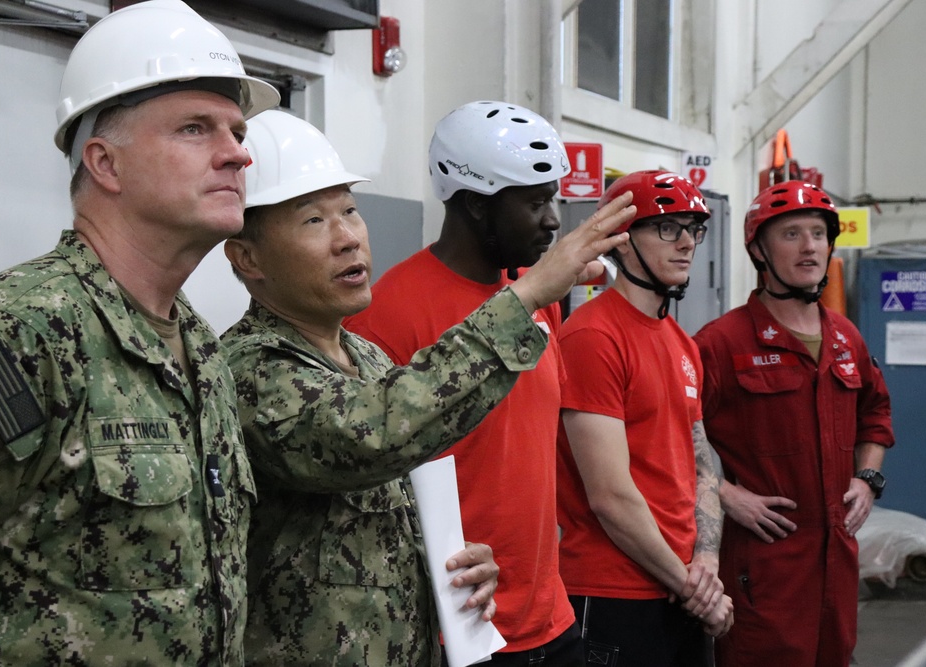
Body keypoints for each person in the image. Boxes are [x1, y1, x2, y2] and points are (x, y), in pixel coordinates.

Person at [220, 110, 635, 666]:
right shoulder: (251, 369)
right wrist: (529, 295)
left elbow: (389, 507)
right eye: (314, 222)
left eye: (349, 211)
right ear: (247, 257)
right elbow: (376, 437)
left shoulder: (360, 357)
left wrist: (456, 562)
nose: (347, 238)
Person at [0, 1, 280, 664]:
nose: (238, 153)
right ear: (105, 163)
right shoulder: (23, 332)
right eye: (195, 128)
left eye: (236, 131)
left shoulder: (203, 348)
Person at [346, 100, 586, 665]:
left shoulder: (537, 297)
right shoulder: (385, 316)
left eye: (551, 199)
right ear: (477, 206)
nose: (552, 219)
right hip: (461, 630)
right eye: (534, 203)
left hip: (552, 618)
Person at [693, 180, 894, 667]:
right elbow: (664, 439)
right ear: (759, 250)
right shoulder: (720, 343)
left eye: (819, 234)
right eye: (791, 234)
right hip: (763, 566)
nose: (809, 247)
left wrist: (867, 478)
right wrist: (725, 493)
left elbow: (875, 412)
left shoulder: (845, 337)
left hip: (837, 563)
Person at [555, 170, 733, 666]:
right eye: (666, 228)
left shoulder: (682, 344)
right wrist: (696, 591)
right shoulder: (593, 337)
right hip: (615, 593)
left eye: (692, 229)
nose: (686, 243)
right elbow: (610, 497)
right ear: (623, 241)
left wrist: (707, 561)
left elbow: (700, 465)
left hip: (682, 587)